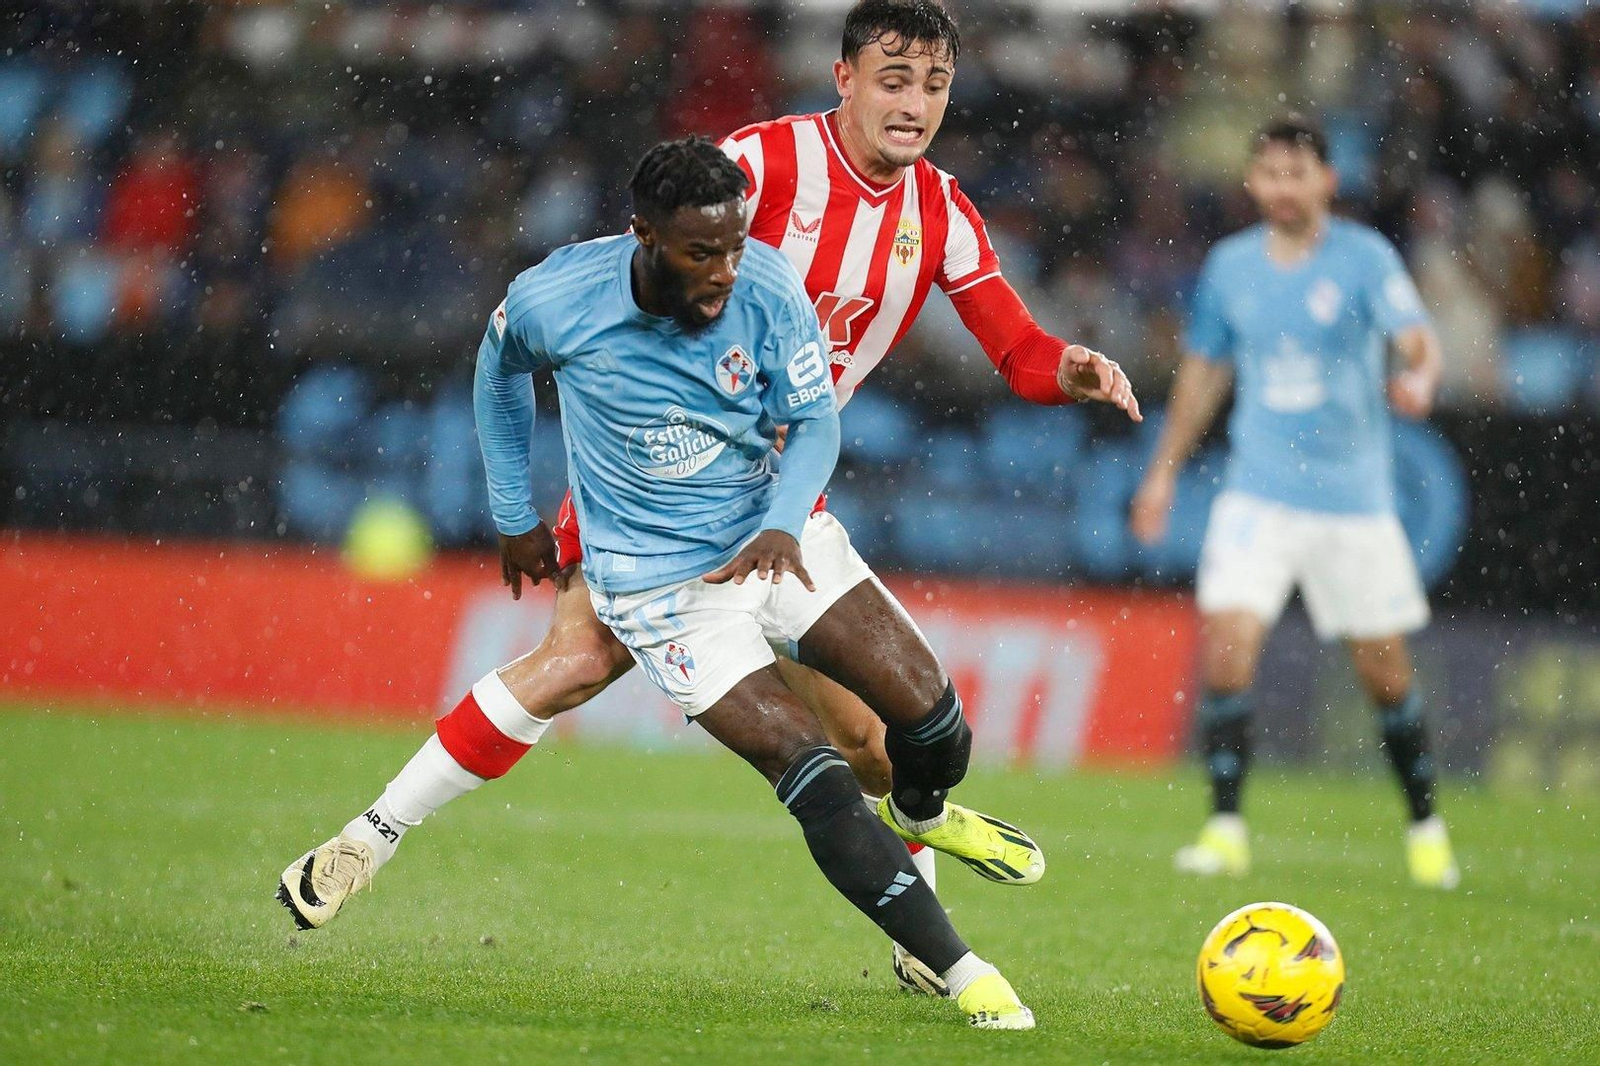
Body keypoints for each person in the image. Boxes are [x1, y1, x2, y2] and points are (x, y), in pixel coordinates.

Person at [278, 0, 1140, 993]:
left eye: (934, 86)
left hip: (776, 494)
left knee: (870, 745)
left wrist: (1069, 366)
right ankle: (368, 836)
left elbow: (1017, 348)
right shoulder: (762, 164)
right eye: (894, 80)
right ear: (844, 79)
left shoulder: (939, 212)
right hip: (653, 480)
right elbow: (636, 276)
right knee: (576, 660)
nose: (914, 105)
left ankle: (919, 916)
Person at [319, 136, 1036, 1028]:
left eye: (734, 245)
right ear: (645, 236)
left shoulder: (765, 281)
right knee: (809, 769)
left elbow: (814, 422)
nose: (726, 271)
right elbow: (497, 368)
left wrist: (784, 519)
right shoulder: (558, 296)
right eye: (703, 252)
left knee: (932, 725)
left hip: (773, 536)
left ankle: (922, 813)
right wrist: (513, 510)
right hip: (660, 591)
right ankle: (966, 972)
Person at [1127, 114, 1459, 889]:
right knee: (1228, 644)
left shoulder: (1365, 258)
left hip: (1352, 501)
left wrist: (1420, 376)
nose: (1282, 188)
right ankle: (1225, 829)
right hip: (1259, 494)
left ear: (1326, 181)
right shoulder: (1230, 267)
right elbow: (1204, 372)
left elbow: (1416, 337)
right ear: (1252, 181)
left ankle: (1426, 827)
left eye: (1296, 173)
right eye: (1270, 174)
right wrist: (1162, 472)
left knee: (1386, 675)